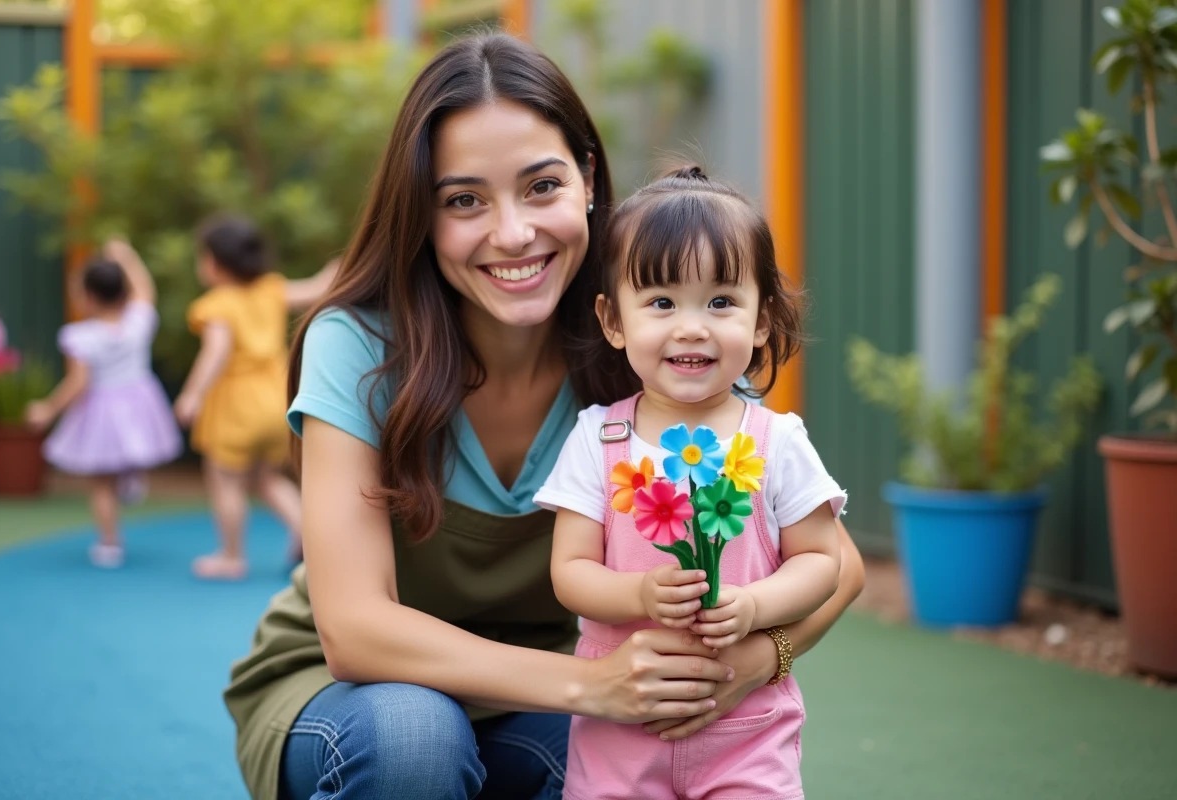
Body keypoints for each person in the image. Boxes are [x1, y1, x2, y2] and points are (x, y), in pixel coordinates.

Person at [223, 33, 866, 800]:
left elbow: (839, 564)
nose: (513, 233)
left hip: (550, 698)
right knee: (418, 743)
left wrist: (755, 663)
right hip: (358, 695)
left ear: (588, 179)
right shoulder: (358, 346)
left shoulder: (646, 333)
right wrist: (595, 687)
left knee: (649, 755)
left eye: (540, 187)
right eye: (465, 200)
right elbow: (356, 630)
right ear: (422, 215)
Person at [536, 166, 846, 799]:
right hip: (621, 726)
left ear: (763, 319)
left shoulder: (775, 441)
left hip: (746, 732)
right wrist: (641, 595)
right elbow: (570, 572)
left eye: (722, 301)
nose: (692, 326)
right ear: (613, 320)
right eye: (661, 302)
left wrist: (758, 606)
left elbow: (823, 559)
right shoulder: (598, 439)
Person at [175, 216, 337, 580]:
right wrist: (336, 269)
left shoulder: (217, 304)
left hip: (237, 407)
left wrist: (192, 395)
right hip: (276, 401)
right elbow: (316, 288)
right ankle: (302, 532)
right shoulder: (270, 289)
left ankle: (231, 556)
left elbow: (216, 352)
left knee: (225, 480)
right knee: (265, 477)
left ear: (214, 263)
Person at [25, 239, 183, 568]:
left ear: (90, 297)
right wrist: (126, 254)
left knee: (100, 481)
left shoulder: (81, 336)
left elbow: (78, 383)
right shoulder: (137, 323)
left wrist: (48, 409)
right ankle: (131, 474)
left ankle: (110, 544)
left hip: (102, 409)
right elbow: (145, 287)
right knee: (130, 451)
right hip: (138, 402)